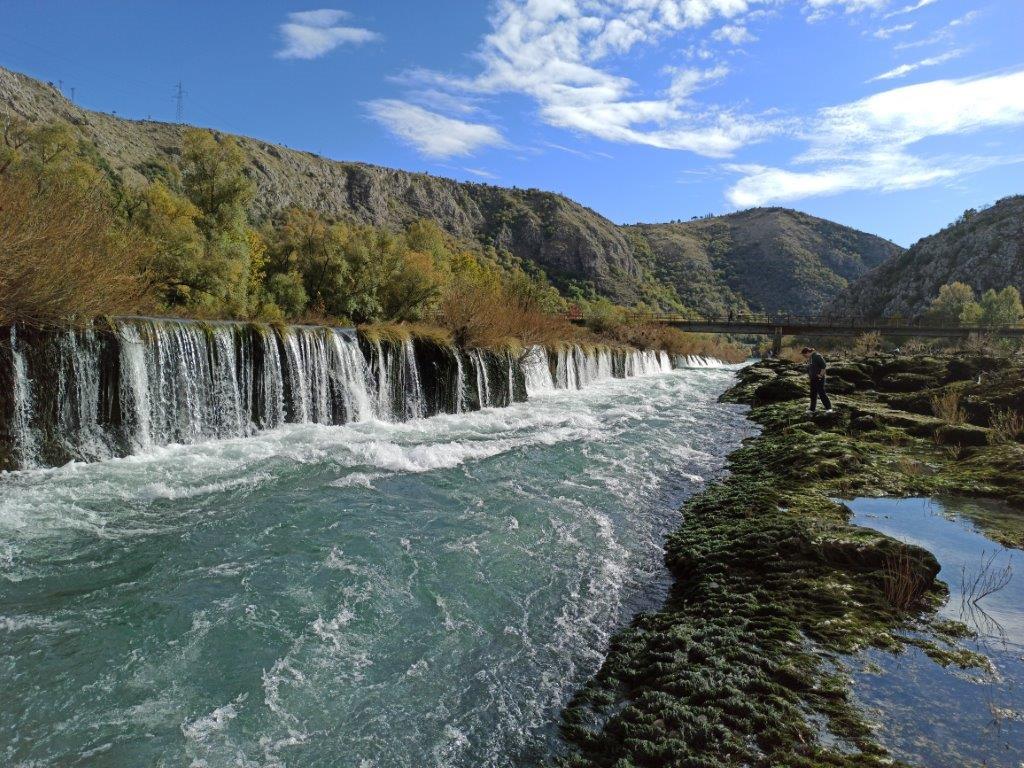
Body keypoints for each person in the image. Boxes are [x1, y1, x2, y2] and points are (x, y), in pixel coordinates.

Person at [801, 346, 832, 414]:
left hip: (819, 378)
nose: (804, 356)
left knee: (822, 393)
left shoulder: (817, 356)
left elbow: (823, 366)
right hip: (813, 379)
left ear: (808, 352)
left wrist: (820, 375)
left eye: (804, 355)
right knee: (813, 394)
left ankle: (829, 408)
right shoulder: (810, 358)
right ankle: (812, 409)